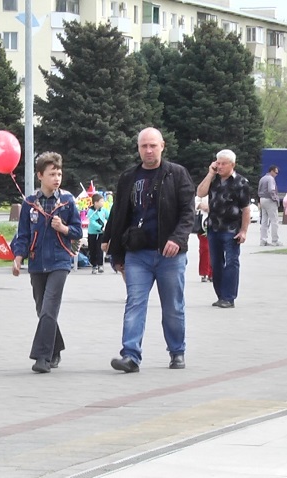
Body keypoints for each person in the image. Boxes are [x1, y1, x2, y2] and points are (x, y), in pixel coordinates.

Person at [103, 127, 195, 373]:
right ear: (138, 148)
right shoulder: (128, 177)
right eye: (144, 146)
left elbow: (188, 213)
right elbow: (118, 214)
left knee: (173, 306)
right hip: (138, 255)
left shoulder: (177, 174)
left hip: (171, 255)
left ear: (162, 146)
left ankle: (177, 351)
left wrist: (177, 239)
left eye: (153, 145)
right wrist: (115, 253)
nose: (149, 150)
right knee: (135, 303)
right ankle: (130, 355)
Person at [10, 152, 82, 374]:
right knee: (42, 309)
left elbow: (78, 231)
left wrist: (64, 228)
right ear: (40, 175)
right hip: (36, 262)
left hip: (60, 261)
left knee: (50, 307)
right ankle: (56, 347)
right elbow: (22, 234)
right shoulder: (30, 203)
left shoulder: (67, 202)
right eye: (52, 174)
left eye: (59, 173)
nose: (57, 178)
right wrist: (18, 257)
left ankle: (42, 357)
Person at [197, 149, 251, 309]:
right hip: (213, 227)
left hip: (231, 229)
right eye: (217, 163)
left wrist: (244, 231)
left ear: (232, 165)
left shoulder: (241, 182)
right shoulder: (214, 180)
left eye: (223, 164)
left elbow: (246, 209)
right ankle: (220, 295)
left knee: (231, 262)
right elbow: (200, 192)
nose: (219, 166)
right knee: (216, 262)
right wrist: (210, 174)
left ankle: (229, 297)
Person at [258, 165, 281, 246]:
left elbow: (259, 189)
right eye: (276, 172)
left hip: (262, 199)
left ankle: (263, 240)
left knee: (264, 221)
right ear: (271, 171)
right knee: (274, 220)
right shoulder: (271, 179)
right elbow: (271, 190)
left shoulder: (263, 178)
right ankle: (275, 240)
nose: (276, 174)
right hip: (269, 200)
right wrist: (275, 199)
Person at [86, 193, 109, 274]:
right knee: (92, 249)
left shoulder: (103, 210)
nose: (103, 203)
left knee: (100, 249)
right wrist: (100, 227)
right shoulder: (90, 211)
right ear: (95, 202)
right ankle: (94, 265)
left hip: (101, 233)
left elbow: (109, 217)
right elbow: (92, 222)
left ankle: (100, 265)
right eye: (101, 201)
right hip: (92, 233)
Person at [195, 195, 212, 282]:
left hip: (218, 222)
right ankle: (204, 273)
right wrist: (201, 205)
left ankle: (213, 273)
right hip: (204, 223)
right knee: (204, 249)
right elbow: (195, 201)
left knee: (216, 249)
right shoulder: (203, 189)